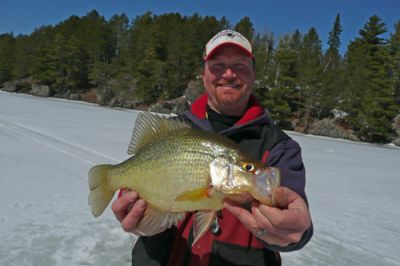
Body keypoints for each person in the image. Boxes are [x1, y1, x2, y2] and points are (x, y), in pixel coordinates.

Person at [112, 29, 313, 266]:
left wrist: (295, 233)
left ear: (253, 74)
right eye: (217, 65)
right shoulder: (172, 129)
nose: (228, 74)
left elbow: (293, 210)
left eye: (240, 65)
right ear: (203, 74)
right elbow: (134, 187)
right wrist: (138, 215)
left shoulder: (280, 148)